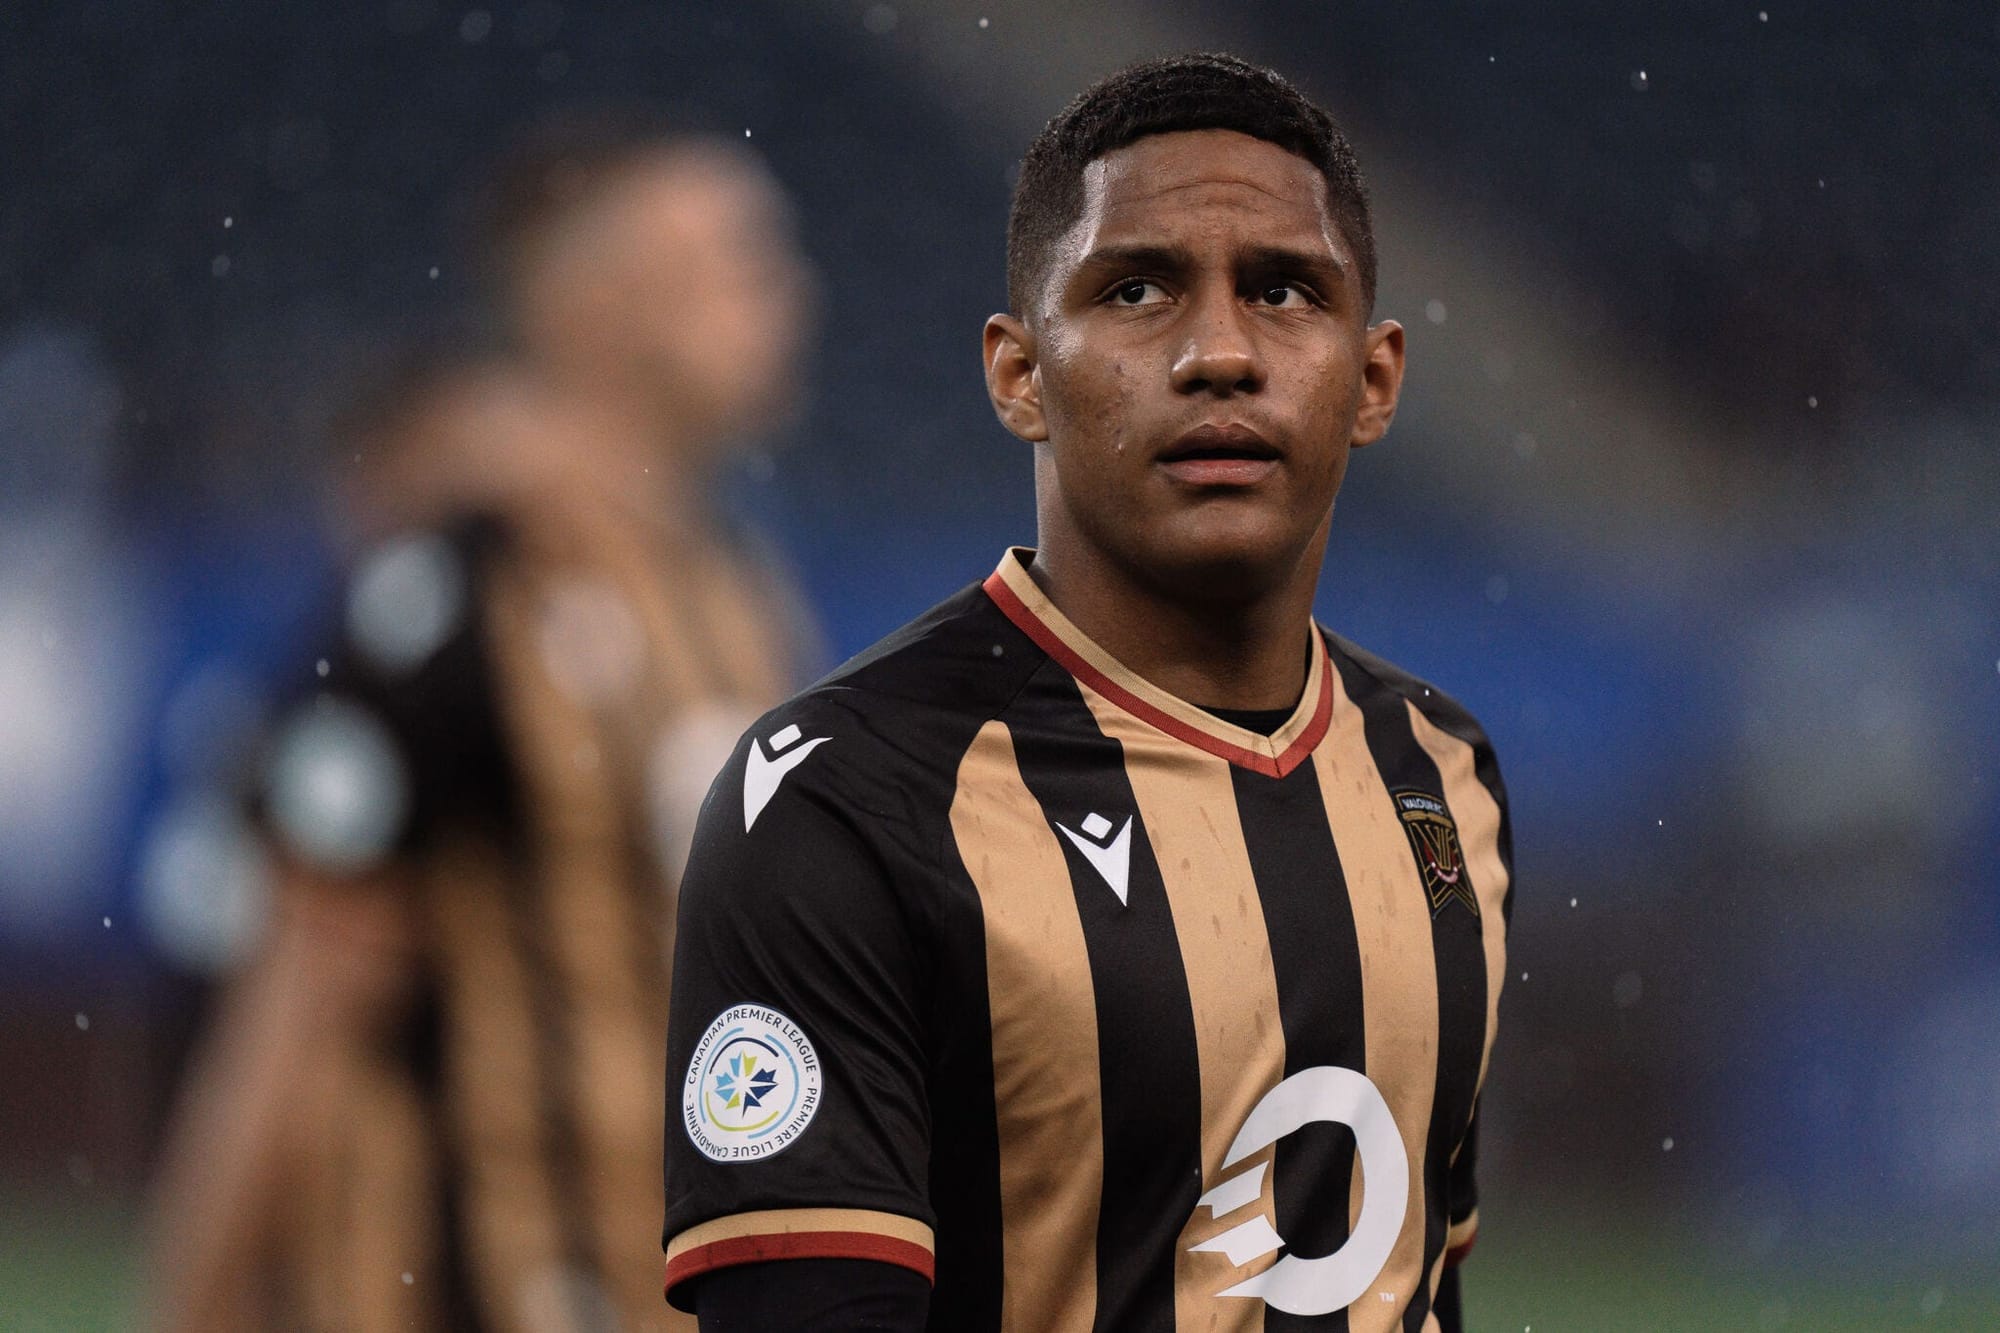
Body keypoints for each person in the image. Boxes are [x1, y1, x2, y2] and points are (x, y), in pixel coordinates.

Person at [660, 53, 1513, 1333]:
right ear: (1018, 375)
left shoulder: (1436, 774)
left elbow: (1414, 1283)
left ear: (1373, 379)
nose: (1218, 352)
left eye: (1282, 291)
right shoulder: (850, 799)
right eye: (1135, 290)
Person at [147, 116, 819, 1333]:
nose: (785, 292)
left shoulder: (733, 592)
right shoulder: (458, 600)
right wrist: (195, 1309)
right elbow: (299, 999)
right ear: (599, 309)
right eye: (732, 260)